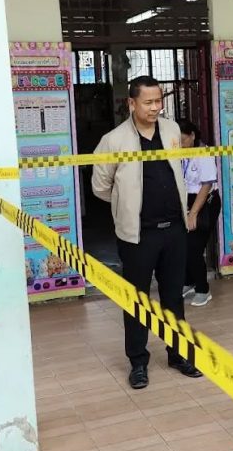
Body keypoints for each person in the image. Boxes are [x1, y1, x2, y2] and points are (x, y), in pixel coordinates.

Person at [92, 75, 202, 389]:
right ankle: (138, 362)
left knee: (173, 297)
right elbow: (100, 187)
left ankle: (178, 354)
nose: (155, 108)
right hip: (138, 235)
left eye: (159, 101)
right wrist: (126, 205)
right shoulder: (113, 140)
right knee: (136, 300)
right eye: (148, 102)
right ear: (132, 103)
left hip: (174, 230)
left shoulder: (171, 130)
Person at [177, 119, 220, 307]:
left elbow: (207, 185)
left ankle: (203, 289)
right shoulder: (178, 152)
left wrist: (193, 213)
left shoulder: (203, 153)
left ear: (193, 135)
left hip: (204, 202)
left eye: (183, 140)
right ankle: (188, 282)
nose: (181, 145)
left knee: (193, 247)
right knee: (182, 246)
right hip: (185, 201)